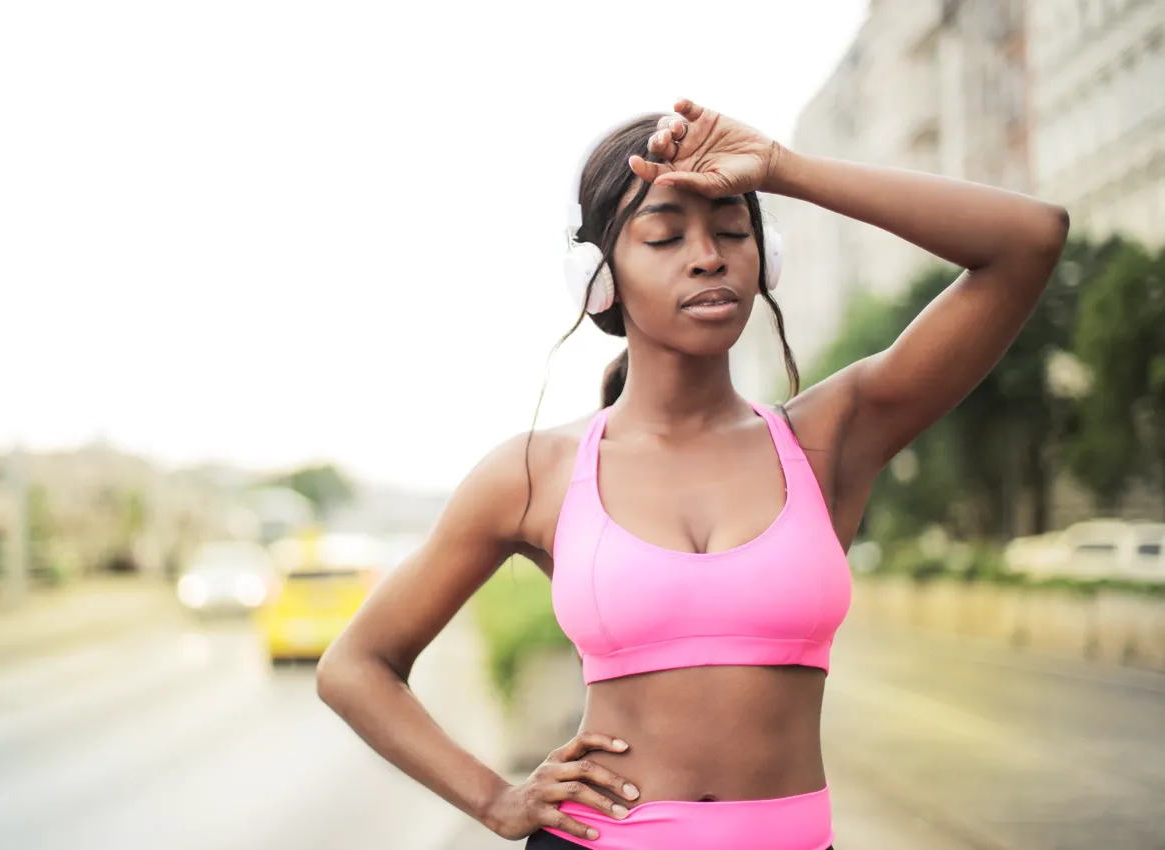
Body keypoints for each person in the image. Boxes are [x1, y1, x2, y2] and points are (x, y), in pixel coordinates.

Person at [315, 98, 1069, 850]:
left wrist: (784, 169)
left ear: (764, 256)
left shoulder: (828, 439)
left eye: (733, 232)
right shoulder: (535, 472)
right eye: (666, 236)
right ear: (599, 278)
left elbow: (1030, 241)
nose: (708, 256)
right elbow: (356, 665)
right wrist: (495, 801)